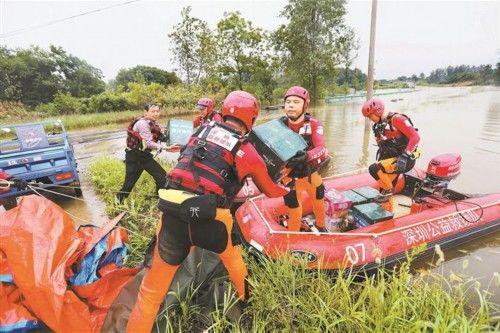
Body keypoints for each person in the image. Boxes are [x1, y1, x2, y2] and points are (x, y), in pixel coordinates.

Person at [127, 91, 289, 332]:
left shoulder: (199, 132)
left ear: (223, 111)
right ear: (252, 120)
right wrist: (287, 186)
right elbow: (271, 191)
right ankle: (246, 300)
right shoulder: (248, 151)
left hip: (173, 215)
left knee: (149, 295)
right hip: (212, 220)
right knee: (235, 264)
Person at [281, 86, 329, 232]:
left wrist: (306, 156)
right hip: (289, 175)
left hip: (310, 172)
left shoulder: (314, 123)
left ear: (305, 105)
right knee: (294, 207)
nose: (291, 105)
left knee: (319, 196)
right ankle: (293, 237)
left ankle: (321, 226)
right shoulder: (279, 125)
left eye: (296, 102)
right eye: (288, 102)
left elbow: (321, 148)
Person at [361, 98, 420, 212]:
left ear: (377, 111)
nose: (370, 119)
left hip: (404, 159)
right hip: (392, 159)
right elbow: (381, 143)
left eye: (370, 116)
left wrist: (404, 156)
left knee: (374, 169)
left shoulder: (397, 119)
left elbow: (415, 137)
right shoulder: (379, 125)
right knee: (383, 189)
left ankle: (389, 191)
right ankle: (386, 214)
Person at [116, 103, 180, 203]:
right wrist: (166, 147)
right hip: (134, 157)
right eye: (152, 111)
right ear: (146, 112)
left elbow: (160, 137)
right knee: (128, 184)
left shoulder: (153, 123)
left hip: (144, 157)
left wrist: (172, 134)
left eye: (157, 111)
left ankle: (158, 198)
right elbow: (149, 143)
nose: (155, 113)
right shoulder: (142, 124)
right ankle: (118, 202)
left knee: (162, 177)